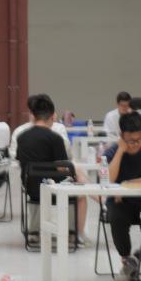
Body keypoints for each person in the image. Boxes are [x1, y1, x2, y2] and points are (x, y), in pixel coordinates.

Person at [15, 94, 88, 245]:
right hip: (56, 190)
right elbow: (62, 167)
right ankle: (73, 233)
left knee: (38, 184)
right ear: (52, 117)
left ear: (33, 115)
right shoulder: (56, 138)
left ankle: (34, 232)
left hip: (31, 189)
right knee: (80, 194)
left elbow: (20, 161)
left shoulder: (21, 137)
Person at [105, 112, 141, 281]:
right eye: (130, 141)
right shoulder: (113, 151)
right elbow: (109, 180)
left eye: (139, 139)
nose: (135, 144)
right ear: (121, 136)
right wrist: (120, 150)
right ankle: (127, 259)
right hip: (121, 203)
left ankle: (137, 257)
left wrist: (127, 183)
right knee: (116, 216)